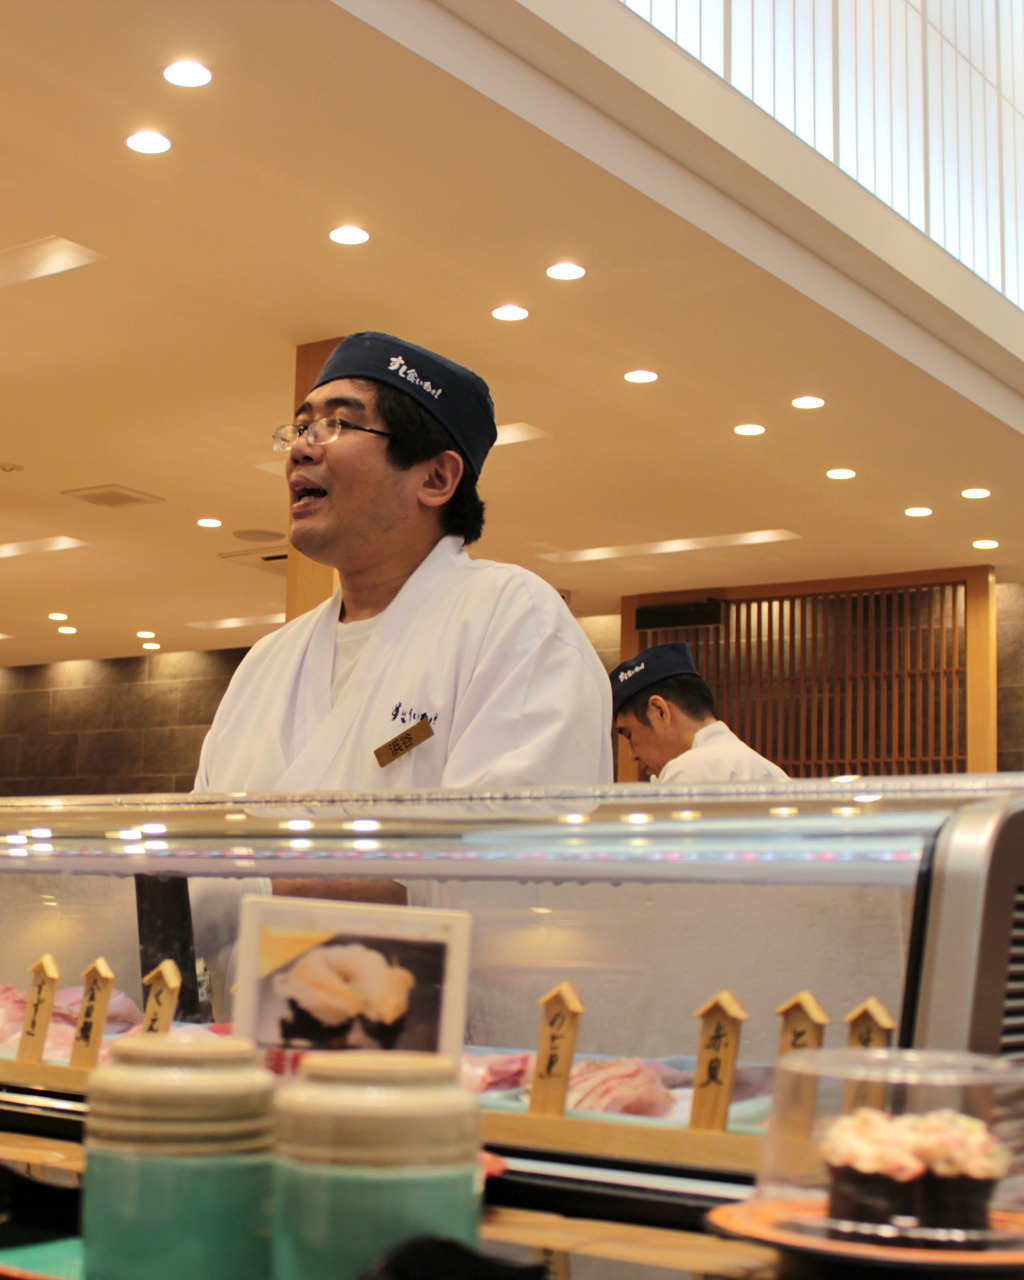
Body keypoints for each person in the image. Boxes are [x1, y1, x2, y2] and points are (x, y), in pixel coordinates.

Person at [195, 331, 612, 795]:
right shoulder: (267, 663)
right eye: (301, 428)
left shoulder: (513, 621)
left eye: (336, 425)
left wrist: (267, 869)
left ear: (436, 477)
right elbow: (196, 847)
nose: (300, 449)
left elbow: (511, 846)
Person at [610, 641, 787, 783]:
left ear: (660, 711)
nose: (632, 755)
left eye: (629, 735)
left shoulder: (692, 770)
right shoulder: (770, 771)